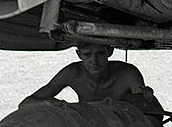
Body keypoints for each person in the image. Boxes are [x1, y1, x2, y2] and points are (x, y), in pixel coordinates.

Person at [19, 43, 161, 114]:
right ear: (79, 54)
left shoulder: (126, 72)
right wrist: (54, 105)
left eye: (100, 53)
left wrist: (147, 97)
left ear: (110, 51)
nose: (94, 61)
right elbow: (25, 104)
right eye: (87, 54)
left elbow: (145, 109)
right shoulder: (73, 72)